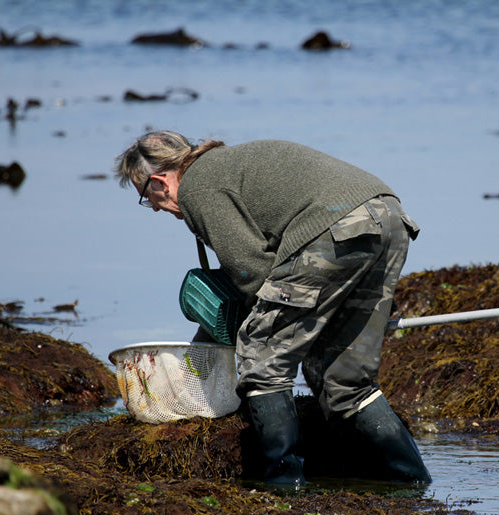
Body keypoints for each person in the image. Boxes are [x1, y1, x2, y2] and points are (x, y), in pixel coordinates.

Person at [114, 131, 431, 486]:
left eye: (147, 198)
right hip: (389, 217)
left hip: (337, 228)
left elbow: (252, 272)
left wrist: (248, 333)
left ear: (159, 181)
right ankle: (412, 482)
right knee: (345, 379)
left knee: (262, 359)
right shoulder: (225, 166)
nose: (155, 208)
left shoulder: (197, 188)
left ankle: (282, 485)